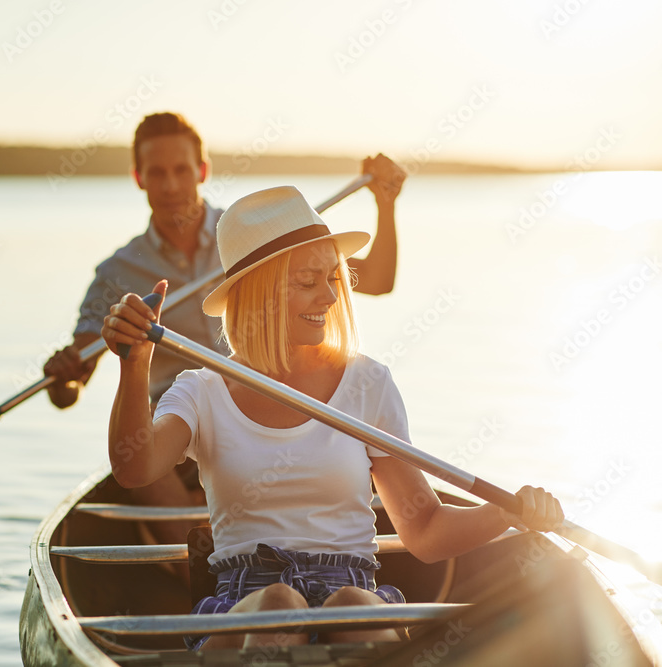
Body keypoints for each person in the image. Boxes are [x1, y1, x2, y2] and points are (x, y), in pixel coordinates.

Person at [101, 185, 564, 650]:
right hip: (245, 601)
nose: (329, 297)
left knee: (355, 606)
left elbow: (424, 531)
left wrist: (506, 511)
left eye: (333, 279)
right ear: (258, 292)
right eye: (307, 282)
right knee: (278, 604)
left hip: (353, 590)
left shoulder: (368, 383)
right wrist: (134, 363)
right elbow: (134, 467)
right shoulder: (200, 389)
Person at [41, 113, 406, 548]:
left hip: (269, 413)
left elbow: (378, 280)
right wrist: (63, 371)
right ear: (139, 178)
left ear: (202, 171)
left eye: (181, 170)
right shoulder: (117, 273)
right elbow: (69, 387)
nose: (172, 185)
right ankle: (206, 588)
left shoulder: (250, 240)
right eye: (157, 173)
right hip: (175, 431)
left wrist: (385, 203)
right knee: (155, 493)